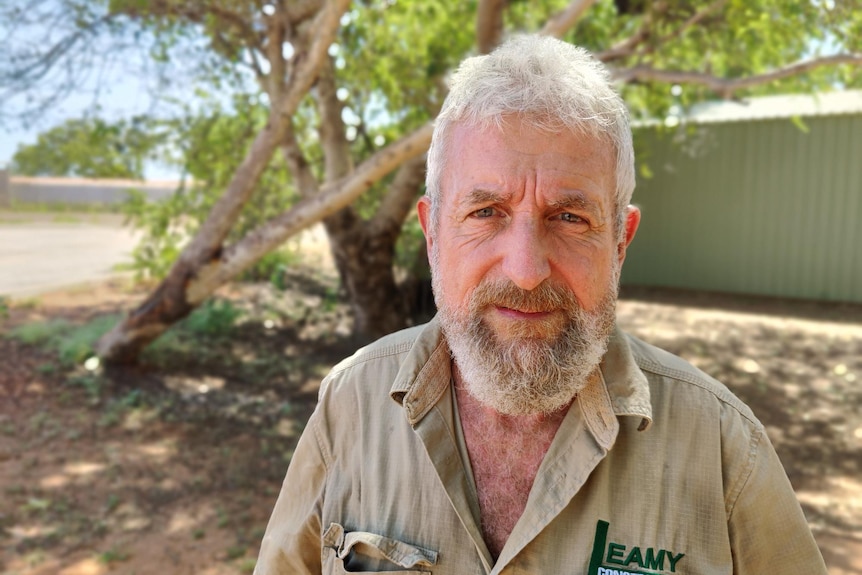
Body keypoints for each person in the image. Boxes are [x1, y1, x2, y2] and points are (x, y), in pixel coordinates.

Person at [254, 35, 827, 574]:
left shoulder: (724, 447)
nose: (526, 272)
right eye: (486, 213)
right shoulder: (348, 405)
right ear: (432, 233)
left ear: (620, 242)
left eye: (570, 218)